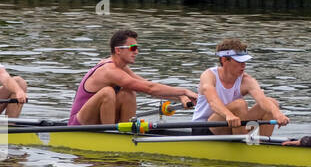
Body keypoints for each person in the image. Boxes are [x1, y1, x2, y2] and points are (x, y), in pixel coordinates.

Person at [68, 28, 197, 126]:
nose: (136, 52)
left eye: (137, 48)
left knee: (128, 93)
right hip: (79, 122)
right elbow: (150, 88)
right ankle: (109, 135)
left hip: (95, 118)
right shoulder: (109, 70)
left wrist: (180, 97)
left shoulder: (122, 68)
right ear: (118, 50)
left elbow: (147, 86)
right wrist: (184, 90)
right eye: (133, 48)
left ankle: (125, 134)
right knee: (108, 92)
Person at [192, 38, 290, 138]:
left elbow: (262, 100)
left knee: (272, 103)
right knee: (240, 105)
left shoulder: (247, 80)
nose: (244, 65)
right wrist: (228, 115)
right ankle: (241, 145)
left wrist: (278, 114)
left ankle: (261, 144)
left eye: (245, 61)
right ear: (224, 60)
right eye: (239, 61)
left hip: (233, 123)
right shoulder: (209, 75)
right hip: (205, 128)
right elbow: (213, 102)